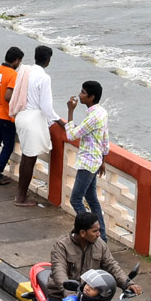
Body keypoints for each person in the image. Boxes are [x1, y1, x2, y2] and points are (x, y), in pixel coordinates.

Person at [45, 211, 140, 301]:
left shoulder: (99, 245)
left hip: (90, 296)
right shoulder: (61, 246)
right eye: (95, 231)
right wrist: (68, 292)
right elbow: (59, 271)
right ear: (83, 233)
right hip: (61, 295)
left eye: (98, 230)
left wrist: (127, 283)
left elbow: (111, 265)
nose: (99, 234)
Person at [9, 45, 60, 207]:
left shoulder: (25, 71)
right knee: (29, 159)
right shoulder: (44, 78)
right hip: (32, 119)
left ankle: (20, 195)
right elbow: (46, 106)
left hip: (21, 116)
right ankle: (20, 198)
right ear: (48, 61)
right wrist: (58, 120)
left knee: (26, 157)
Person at [64, 81, 111, 236]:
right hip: (96, 160)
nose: (80, 95)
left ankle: (90, 231)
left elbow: (71, 135)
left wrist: (70, 112)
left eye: (83, 93)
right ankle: (101, 237)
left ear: (91, 97)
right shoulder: (102, 112)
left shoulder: (92, 118)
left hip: (87, 162)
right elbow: (105, 139)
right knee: (92, 200)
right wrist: (103, 160)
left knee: (76, 199)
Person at [0, 46, 23, 187]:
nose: (19, 65)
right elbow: (8, 96)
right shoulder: (14, 75)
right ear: (15, 60)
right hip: (7, 116)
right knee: (8, 146)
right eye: (19, 62)